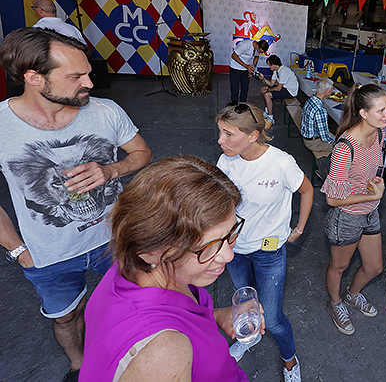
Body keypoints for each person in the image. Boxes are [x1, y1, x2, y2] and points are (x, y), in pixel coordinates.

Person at [0, 28, 152, 382]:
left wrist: (112, 169)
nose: (89, 83)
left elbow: (142, 153)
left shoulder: (106, 111)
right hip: (48, 253)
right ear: (34, 78)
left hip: (115, 238)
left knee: (138, 299)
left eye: (88, 72)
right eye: (75, 77)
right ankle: (79, 366)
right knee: (66, 316)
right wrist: (19, 250)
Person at [79, 156, 255, 382]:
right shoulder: (163, 354)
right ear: (149, 251)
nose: (228, 255)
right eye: (206, 247)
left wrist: (216, 316)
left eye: (230, 234)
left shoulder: (130, 267)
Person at [216, 102, 313, 382]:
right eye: (220, 132)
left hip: (268, 251)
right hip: (234, 250)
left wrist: (299, 228)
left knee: (271, 318)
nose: (221, 140)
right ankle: (249, 337)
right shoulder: (226, 161)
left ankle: (290, 361)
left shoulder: (281, 163)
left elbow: (307, 190)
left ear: (253, 136)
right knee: (245, 303)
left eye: (228, 134)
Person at [321, 83, 386, 335]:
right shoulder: (345, 147)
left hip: (370, 211)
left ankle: (352, 294)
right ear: (363, 113)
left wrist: (376, 182)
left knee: (374, 268)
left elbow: (373, 166)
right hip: (347, 217)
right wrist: (370, 194)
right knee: (339, 266)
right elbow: (332, 200)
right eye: (381, 110)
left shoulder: (379, 134)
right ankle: (335, 302)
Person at [258, 54, 299, 124]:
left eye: (270, 65)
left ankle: (270, 118)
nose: (269, 67)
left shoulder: (283, 71)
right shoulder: (276, 71)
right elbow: (271, 84)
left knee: (267, 94)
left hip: (290, 92)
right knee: (263, 90)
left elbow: (278, 88)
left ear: (276, 64)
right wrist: (263, 78)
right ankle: (267, 110)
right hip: (284, 88)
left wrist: (268, 90)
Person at [301, 77, 335, 159]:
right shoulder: (320, 110)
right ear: (326, 91)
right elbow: (325, 137)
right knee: (343, 148)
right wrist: (337, 142)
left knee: (336, 137)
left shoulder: (310, 100)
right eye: (332, 89)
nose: (333, 91)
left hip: (307, 137)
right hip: (314, 143)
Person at [229, 38, 268, 104]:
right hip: (235, 67)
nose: (260, 52)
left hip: (246, 68)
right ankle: (233, 105)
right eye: (260, 51)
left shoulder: (257, 49)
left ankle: (242, 105)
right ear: (257, 45)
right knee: (235, 89)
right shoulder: (245, 45)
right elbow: (234, 55)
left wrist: (252, 69)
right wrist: (246, 66)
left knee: (245, 89)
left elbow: (256, 57)